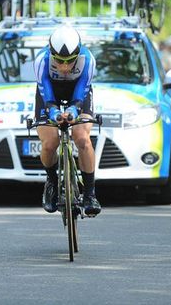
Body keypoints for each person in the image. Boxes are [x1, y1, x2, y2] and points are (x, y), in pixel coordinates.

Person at [33, 25, 100, 217]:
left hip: (77, 94)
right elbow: (46, 95)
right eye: (59, 60)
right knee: (49, 143)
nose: (64, 67)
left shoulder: (88, 60)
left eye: (70, 61)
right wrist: (53, 113)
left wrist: (73, 111)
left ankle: (90, 194)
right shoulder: (41, 60)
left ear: (77, 54)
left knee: (82, 139)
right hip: (50, 93)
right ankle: (52, 182)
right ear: (51, 53)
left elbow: (81, 93)